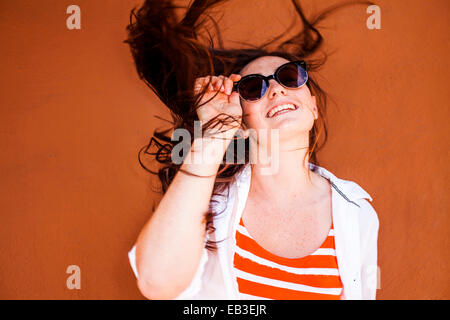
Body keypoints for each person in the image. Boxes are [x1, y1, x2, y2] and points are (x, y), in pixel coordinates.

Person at [124, 0, 379, 300]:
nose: (276, 89)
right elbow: (156, 282)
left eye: (289, 76)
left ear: (313, 107)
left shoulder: (356, 211)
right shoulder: (210, 204)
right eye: (253, 88)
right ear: (241, 122)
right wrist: (213, 132)